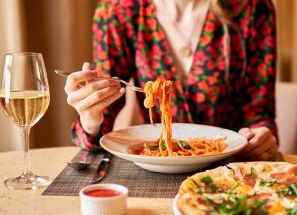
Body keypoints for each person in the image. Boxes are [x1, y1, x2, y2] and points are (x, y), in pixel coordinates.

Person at [65, 0, 279, 161]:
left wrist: (258, 136)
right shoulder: (118, 10)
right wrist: (91, 120)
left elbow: (259, 112)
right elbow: (103, 117)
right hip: (155, 166)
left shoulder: (253, 8)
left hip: (228, 168)